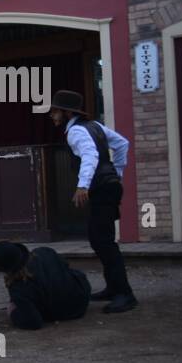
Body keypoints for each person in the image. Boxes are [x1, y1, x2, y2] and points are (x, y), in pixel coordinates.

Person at [48, 90, 136, 313]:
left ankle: (125, 294)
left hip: (102, 188)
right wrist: (116, 173)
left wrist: (83, 185)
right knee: (100, 240)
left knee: (103, 242)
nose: (52, 115)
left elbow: (90, 155)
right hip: (108, 186)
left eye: (55, 110)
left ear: (67, 113)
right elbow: (122, 144)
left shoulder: (76, 131)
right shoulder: (95, 126)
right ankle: (114, 288)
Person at [0, 241, 91, 330]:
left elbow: (34, 323)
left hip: (66, 313)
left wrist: (12, 313)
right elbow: (65, 266)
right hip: (81, 297)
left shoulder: (18, 288)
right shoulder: (45, 251)